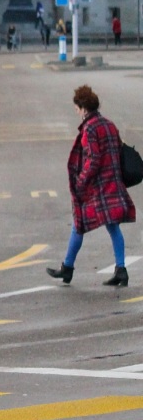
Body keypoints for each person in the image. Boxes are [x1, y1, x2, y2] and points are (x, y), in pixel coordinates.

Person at [46, 85, 135, 287]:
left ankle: (68, 268)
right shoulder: (110, 125)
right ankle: (120, 269)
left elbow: (93, 160)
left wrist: (81, 181)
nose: (76, 112)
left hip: (98, 188)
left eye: (76, 108)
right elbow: (117, 152)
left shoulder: (89, 129)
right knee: (112, 227)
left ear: (84, 108)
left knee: (79, 223)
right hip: (113, 183)